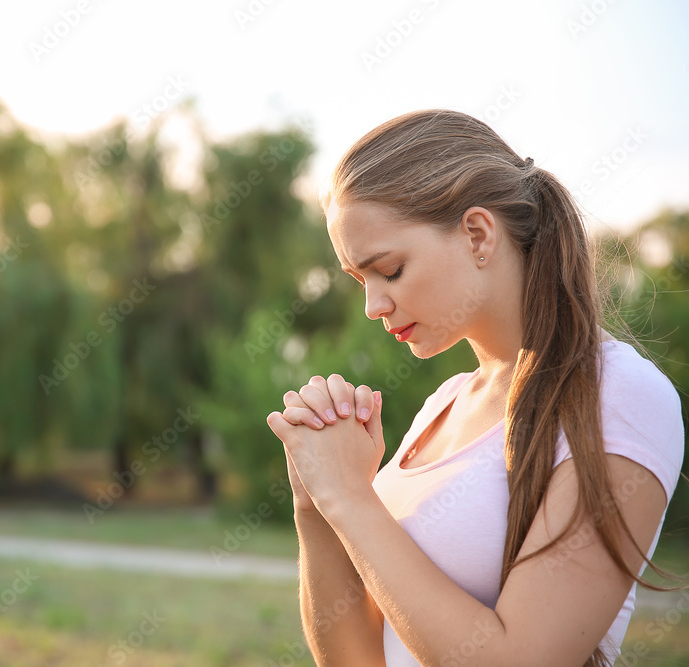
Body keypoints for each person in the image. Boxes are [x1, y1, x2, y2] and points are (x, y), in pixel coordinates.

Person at [265, 109, 686, 666]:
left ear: (478, 233)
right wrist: (315, 496)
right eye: (359, 280)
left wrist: (349, 498)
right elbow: (354, 660)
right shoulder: (443, 405)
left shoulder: (619, 395)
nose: (373, 305)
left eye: (388, 270)